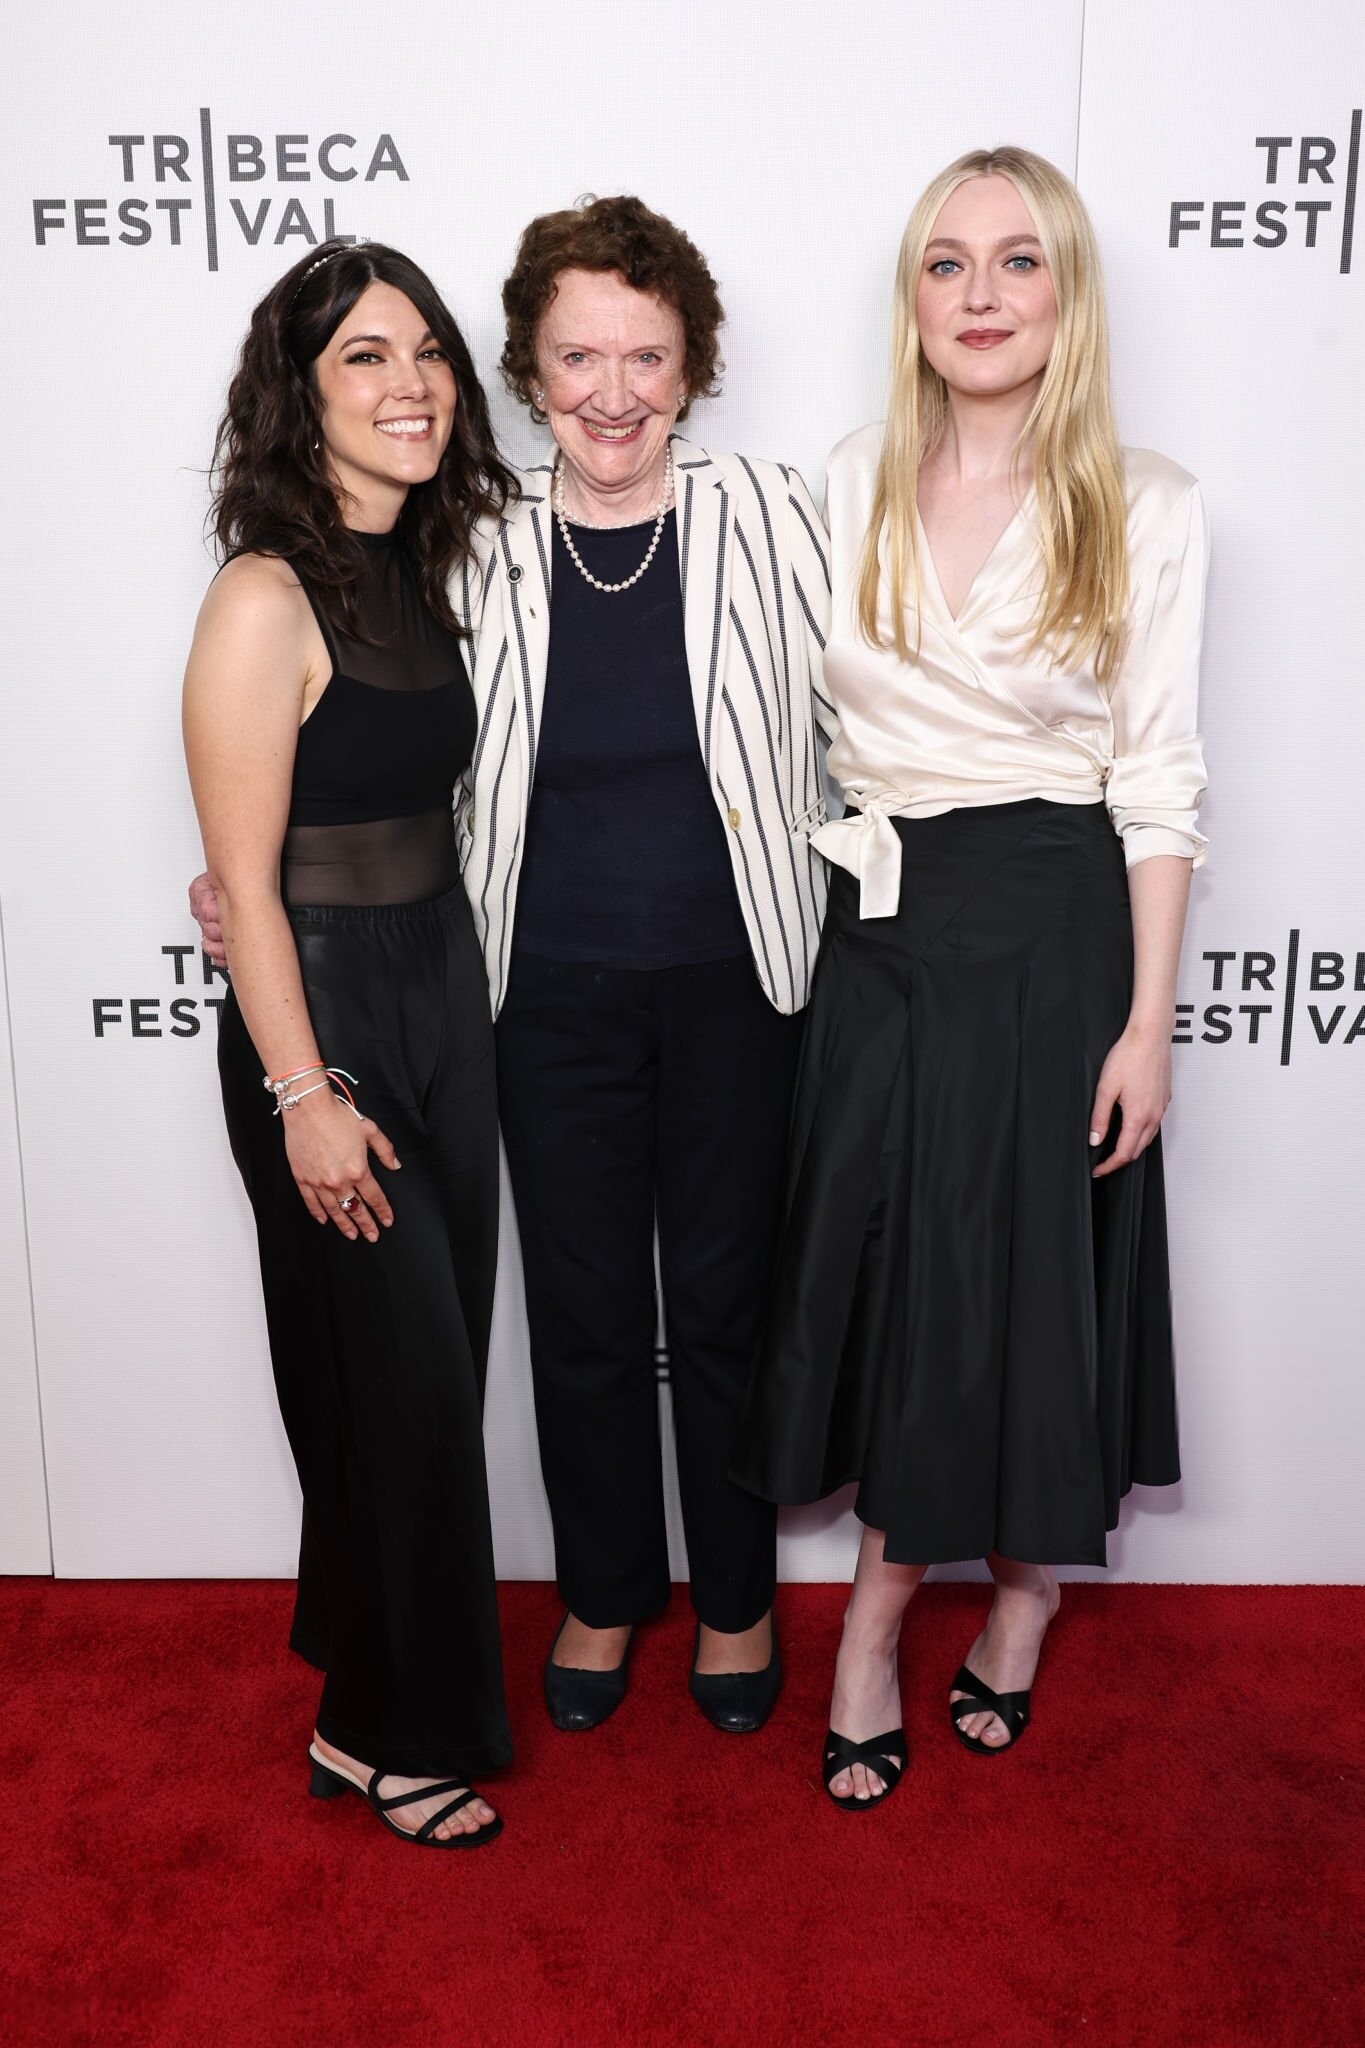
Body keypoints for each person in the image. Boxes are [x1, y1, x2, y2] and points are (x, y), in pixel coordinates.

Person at [733, 147, 1208, 1808]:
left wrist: (1146, 1026)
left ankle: (950, 1608)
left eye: (1017, 260)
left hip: (1049, 937)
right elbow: (765, 715)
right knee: (902, 1282)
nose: (980, 295)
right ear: (912, 298)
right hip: (883, 932)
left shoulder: (1144, 501)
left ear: (1066, 292)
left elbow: (1159, 781)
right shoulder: (849, 474)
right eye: (946, 263)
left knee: (1010, 1280)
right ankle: (965, 1595)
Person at [464, 195, 835, 1734]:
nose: (610, 392)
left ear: (690, 370)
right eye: (577, 357)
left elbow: (878, 722)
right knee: (585, 1310)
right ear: (528, 370)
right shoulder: (473, 536)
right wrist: (258, 863)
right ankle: (607, 1589)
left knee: (730, 1302)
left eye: (645, 357)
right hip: (547, 992)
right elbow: (391, 735)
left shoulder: (778, 511)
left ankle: (736, 1602)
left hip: (739, 981)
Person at [183, 239, 518, 1847]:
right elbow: (244, 881)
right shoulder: (264, 594)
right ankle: (394, 1733)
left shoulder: (422, 565)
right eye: (365, 358)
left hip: (443, 987)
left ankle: (356, 1703)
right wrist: (302, 1092)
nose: (410, 385)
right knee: (392, 1390)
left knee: (431, 1380)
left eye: (427, 351)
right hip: (324, 1015)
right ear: (299, 395)